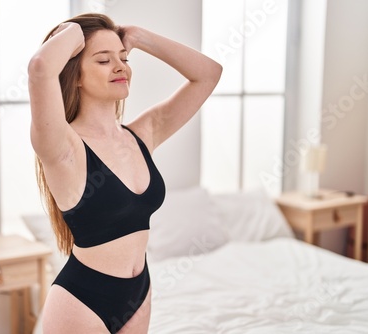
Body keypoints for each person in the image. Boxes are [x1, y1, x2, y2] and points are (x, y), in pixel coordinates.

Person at [28, 13, 222, 334]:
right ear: (74, 74)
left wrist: (141, 37)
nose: (121, 67)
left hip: (139, 292)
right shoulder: (61, 146)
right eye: (103, 60)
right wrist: (72, 31)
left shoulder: (142, 134)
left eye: (124, 58)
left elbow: (209, 75)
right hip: (82, 301)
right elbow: (40, 69)